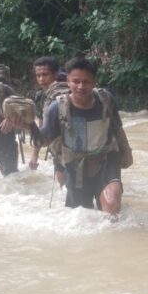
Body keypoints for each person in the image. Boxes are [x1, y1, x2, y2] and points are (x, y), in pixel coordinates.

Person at [39, 57, 133, 215]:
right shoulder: (57, 108)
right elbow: (45, 141)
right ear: (68, 81)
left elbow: (117, 128)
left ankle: (114, 230)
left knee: (112, 206)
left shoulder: (106, 100)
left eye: (86, 82)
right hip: (74, 167)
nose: (81, 86)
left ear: (94, 82)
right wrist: (28, 126)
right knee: (82, 216)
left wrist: (127, 151)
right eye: (76, 81)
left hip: (106, 160)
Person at [28, 56, 60, 172]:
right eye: (38, 75)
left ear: (55, 74)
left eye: (45, 75)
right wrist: (35, 155)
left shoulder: (67, 94)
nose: (41, 79)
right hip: (54, 146)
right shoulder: (40, 96)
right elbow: (42, 127)